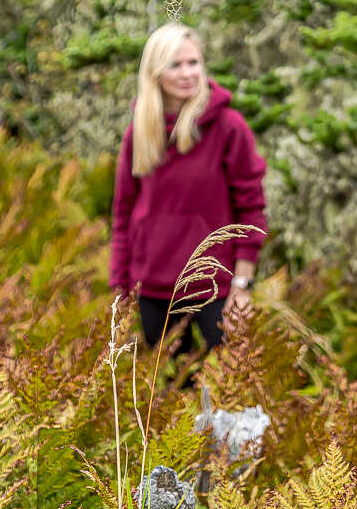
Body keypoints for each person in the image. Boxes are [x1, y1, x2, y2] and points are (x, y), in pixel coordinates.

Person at [109, 22, 268, 354]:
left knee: (226, 394)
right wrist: (120, 294)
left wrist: (242, 286)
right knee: (167, 396)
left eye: (193, 63)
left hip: (215, 288)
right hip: (152, 290)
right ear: (155, 73)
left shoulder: (228, 127)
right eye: (175, 64)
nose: (187, 73)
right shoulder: (138, 132)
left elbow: (251, 209)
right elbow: (123, 216)